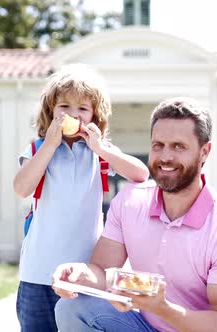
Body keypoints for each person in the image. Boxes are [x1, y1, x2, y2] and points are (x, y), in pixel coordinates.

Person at [52, 97, 217, 332]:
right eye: (158, 145)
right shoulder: (129, 202)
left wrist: (162, 307)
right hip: (148, 327)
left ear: (204, 152)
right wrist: (78, 273)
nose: (165, 157)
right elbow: (101, 270)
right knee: (72, 308)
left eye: (179, 146)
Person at [13, 64, 149, 332]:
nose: (72, 114)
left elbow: (140, 174)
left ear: (95, 117)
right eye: (64, 106)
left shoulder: (99, 152)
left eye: (82, 109)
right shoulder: (39, 149)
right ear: (51, 111)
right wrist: (50, 145)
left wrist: (99, 147)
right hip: (38, 272)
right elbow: (21, 188)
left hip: (84, 274)